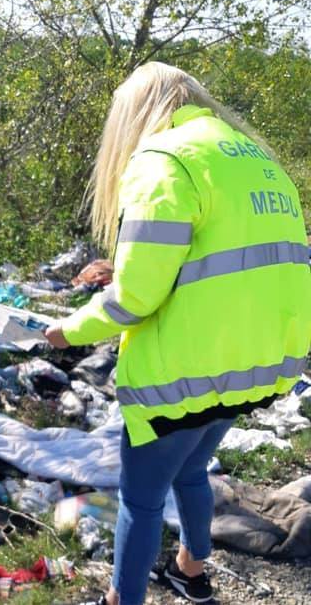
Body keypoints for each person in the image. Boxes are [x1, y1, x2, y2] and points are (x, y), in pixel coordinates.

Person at [45, 62, 311, 605]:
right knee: (191, 469)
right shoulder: (255, 159)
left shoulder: (164, 161)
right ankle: (191, 571)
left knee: (140, 499)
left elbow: (135, 299)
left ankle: (122, 599)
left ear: (135, 114)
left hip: (185, 374)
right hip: (253, 366)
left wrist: (65, 331)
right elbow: (232, 261)